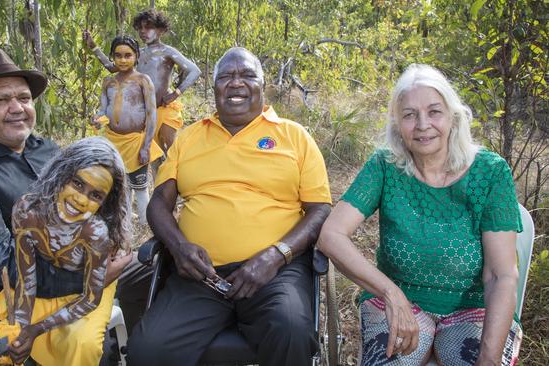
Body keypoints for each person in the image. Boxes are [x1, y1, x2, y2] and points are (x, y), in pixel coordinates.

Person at [0, 49, 149, 361]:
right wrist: (92, 275)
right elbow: (3, 265)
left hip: (85, 263)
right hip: (21, 294)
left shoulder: (47, 150)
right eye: (2, 100)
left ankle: (139, 347)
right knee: (80, 342)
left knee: (156, 265)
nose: (17, 108)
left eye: (24, 98)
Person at [126, 47, 332, 366]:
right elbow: (158, 204)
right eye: (226, 76)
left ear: (264, 86)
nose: (236, 83)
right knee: (148, 350)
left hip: (275, 272)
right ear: (214, 88)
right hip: (201, 275)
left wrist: (277, 255)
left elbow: (319, 210)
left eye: (247, 75)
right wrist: (179, 248)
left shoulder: (295, 137)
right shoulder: (189, 138)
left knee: (290, 329)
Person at [317, 64, 522, 365]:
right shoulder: (385, 166)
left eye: (434, 111)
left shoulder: (490, 173)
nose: (422, 124)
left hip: (473, 307)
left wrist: (488, 359)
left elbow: (501, 275)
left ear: (453, 116)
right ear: (397, 123)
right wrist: (391, 293)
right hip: (402, 302)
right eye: (409, 115)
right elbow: (331, 235)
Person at [0, 137, 132, 364]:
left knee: (82, 344)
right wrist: (22, 326)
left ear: (105, 202)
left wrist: (36, 329)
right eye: (77, 183)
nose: (80, 200)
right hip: (43, 284)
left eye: (95, 195)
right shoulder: (27, 211)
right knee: (11, 336)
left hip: (89, 289)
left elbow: (90, 298)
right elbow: (26, 277)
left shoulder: (95, 232)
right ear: (61, 174)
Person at [84, 8, 201, 153]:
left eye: (149, 27)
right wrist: (94, 47)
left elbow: (195, 71)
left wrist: (176, 93)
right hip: (144, 114)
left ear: (161, 30)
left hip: (164, 109)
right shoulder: (137, 54)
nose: (143, 31)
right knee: (152, 154)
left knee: (170, 149)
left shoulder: (167, 52)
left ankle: (178, 174)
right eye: (140, 28)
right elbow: (111, 67)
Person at [89, 35, 163, 225]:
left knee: (139, 185)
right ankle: (125, 221)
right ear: (112, 57)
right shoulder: (108, 82)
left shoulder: (143, 80)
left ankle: (147, 223)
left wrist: (146, 146)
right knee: (120, 185)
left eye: (128, 55)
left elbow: (151, 115)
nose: (122, 60)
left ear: (136, 56)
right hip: (114, 141)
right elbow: (104, 109)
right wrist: (98, 119)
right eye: (118, 55)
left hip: (136, 142)